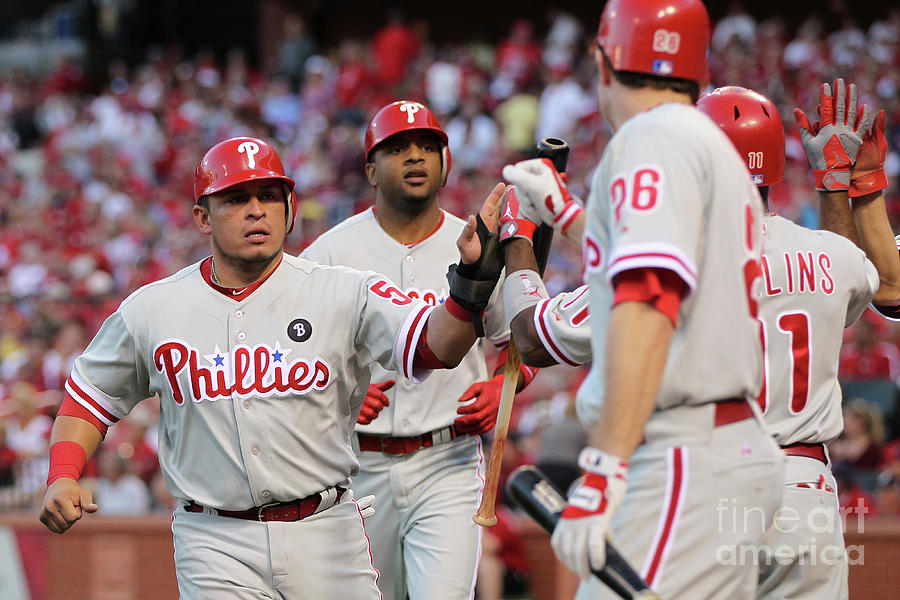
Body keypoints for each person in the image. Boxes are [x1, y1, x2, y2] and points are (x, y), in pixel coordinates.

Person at [38, 135, 507, 598]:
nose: (257, 209)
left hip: (327, 532)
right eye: (236, 198)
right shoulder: (152, 309)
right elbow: (90, 398)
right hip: (214, 540)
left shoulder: (344, 290)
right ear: (202, 217)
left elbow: (436, 346)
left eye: (269, 195)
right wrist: (63, 473)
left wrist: (471, 281)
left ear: (290, 208)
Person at [500, 2, 784, 597]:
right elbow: (661, 261)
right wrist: (569, 216)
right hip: (729, 446)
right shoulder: (705, 143)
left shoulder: (649, 139)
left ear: (604, 61)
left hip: (680, 455)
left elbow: (648, 296)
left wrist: (602, 469)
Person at [301, 100, 537, 600]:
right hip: (355, 468)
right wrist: (334, 394)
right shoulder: (327, 255)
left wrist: (505, 387)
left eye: (428, 146)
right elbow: (288, 359)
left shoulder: (476, 245)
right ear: (370, 169)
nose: (415, 156)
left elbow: (520, 341)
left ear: (445, 162)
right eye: (398, 147)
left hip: (447, 460)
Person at [702, 84, 877, 600]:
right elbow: (847, 276)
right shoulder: (827, 254)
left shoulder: (673, 260)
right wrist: (833, 182)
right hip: (804, 490)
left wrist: (516, 249)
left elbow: (534, 338)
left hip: (711, 483)